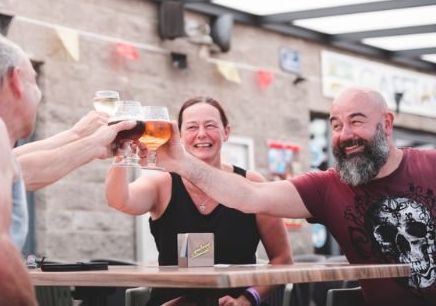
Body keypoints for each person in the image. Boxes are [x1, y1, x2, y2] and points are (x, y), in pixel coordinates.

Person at [153, 87, 436, 306]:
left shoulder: (430, 166)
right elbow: (252, 195)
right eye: (336, 125)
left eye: (356, 121)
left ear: (386, 123)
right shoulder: (327, 187)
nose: (345, 134)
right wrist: (182, 162)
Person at [0, 31, 136, 306]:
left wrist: (81, 138)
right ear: (15, 80)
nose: (38, 95)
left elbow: (22, 167)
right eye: (35, 82)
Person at [105, 97, 292, 306]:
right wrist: (121, 152)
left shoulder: (251, 183)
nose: (201, 133)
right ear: (180, 136)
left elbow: (282, 259)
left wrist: (247, 299)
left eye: (210, 125)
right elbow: (119, 200)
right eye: (192, 127)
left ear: (226, 132)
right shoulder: (162, 184)